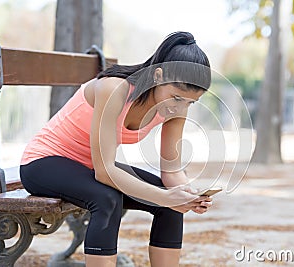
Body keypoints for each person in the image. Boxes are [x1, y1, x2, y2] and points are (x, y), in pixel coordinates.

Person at [19, 31, 212, 267]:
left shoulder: (177, 107)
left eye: (190, 102)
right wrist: (165, 197)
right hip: (43, 162)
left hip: (86, 167)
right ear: (158, 75)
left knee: (170, 206)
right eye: (176, 97)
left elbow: (171, 171)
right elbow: (105, 171)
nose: (179, 107)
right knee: (107, 197)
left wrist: (186, 194)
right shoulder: (115, 89)